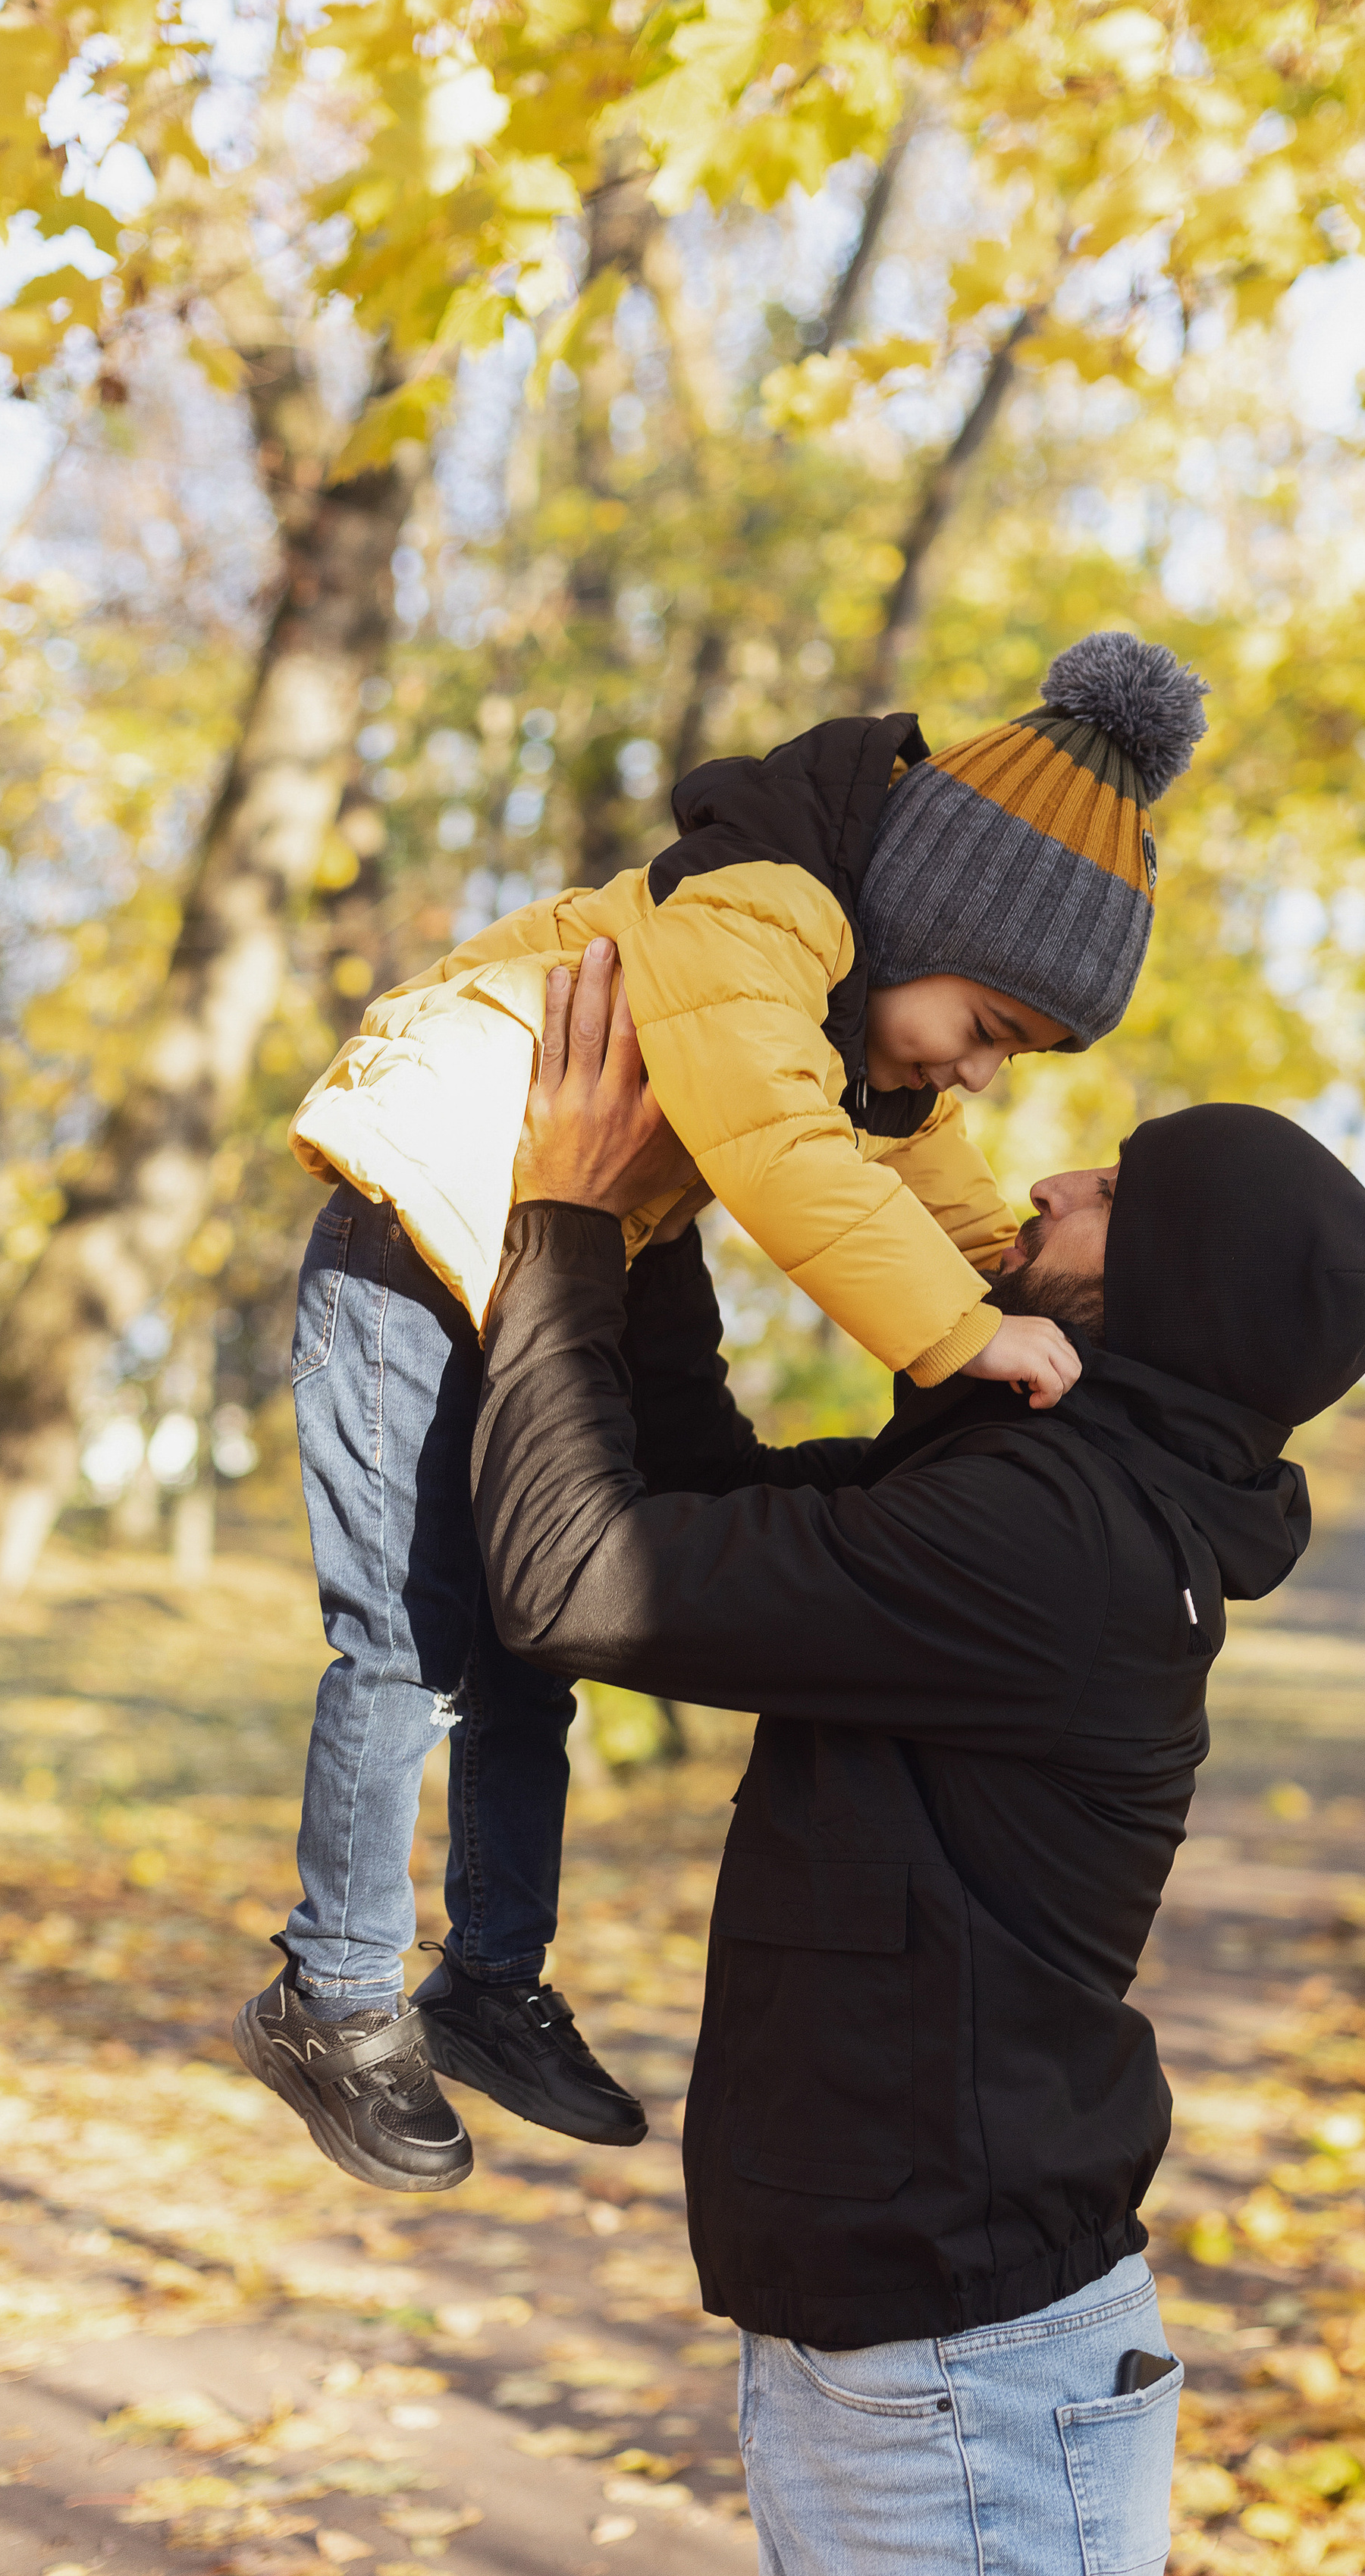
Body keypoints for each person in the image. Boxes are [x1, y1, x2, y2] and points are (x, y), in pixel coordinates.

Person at [467, 940, 1365, 2576]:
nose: (1049, 1180)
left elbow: (574, 1577)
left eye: (1112, 1192)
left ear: (1169, 1290)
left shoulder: (1052, 1545)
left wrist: (561, 1219)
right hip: (895, 2340)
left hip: (950, 2374)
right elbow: (698, 1501)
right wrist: (654, 1211)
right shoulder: (1039, 1480)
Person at [235, 632, 1211, 2196]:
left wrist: (1006, 1285)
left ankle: (489, 1980)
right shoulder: (759, 918)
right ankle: (332, 1994)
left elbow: (927, 1177)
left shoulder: (856, 1019)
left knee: (525, 1651)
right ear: (929, 920)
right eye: (987, 1026)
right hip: (412, 1224)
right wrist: (964, 1334)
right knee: (406, 1639)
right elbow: (781, 1157)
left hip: (515, 1252)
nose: (978, 1073)